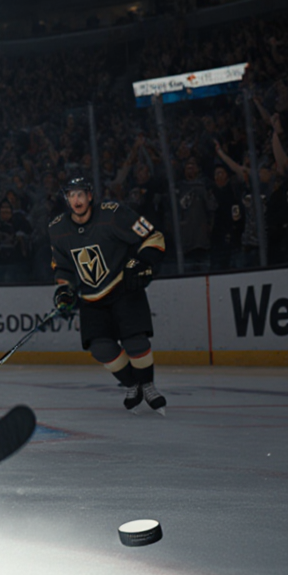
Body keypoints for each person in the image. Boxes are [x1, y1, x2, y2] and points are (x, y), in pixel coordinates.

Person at [49, 176, 168, 414]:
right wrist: (64, 290)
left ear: (90, 196)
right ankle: (133, 384)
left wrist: (142, 261)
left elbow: (154, 237)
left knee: (136, 341)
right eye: (71, 195)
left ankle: (148, 385)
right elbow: (62, 267)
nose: (77, 199)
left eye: (81, 194)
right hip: (91, 298)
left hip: (124, 287)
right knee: (101, 349)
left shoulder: (113, 214)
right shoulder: (57, 229)